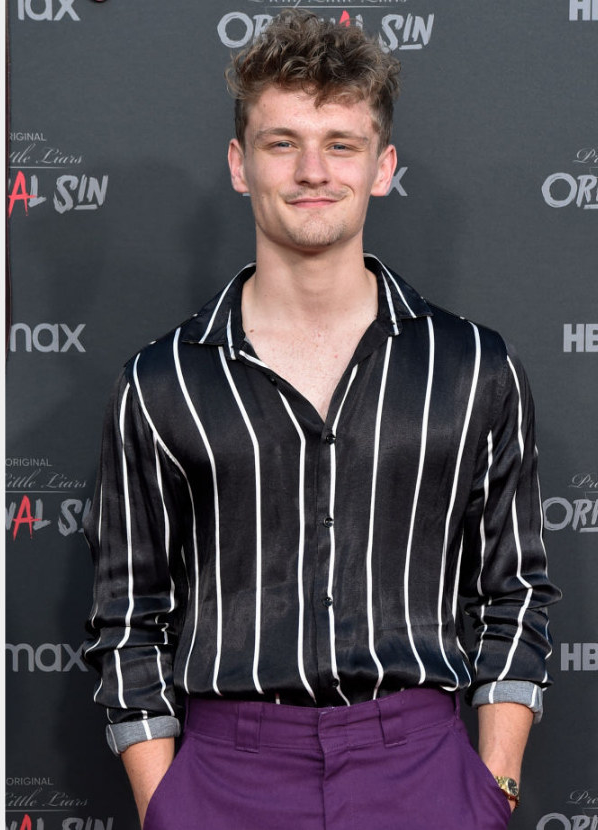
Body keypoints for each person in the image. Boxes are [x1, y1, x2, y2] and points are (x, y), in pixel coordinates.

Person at [83, 11, 558, 829]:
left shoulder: (476, 368)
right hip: (224, 776)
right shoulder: (162, 381)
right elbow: (128, 615)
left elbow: (515, 589)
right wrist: (167, 801)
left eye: (341, 143)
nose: (312, 170)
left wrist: (493, 784)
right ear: (240, 164)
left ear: (383, 166)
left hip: (423, 769)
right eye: (281, 142)